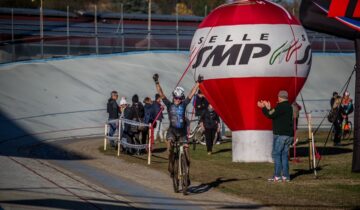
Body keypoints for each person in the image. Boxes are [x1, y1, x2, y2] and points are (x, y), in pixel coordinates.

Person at [153, 73, 200, 183]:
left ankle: (187, 173)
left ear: (182, 98)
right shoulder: (169, 105)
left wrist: (198, 83)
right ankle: (171, 164)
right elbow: (161, 93)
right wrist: (156, 82)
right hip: (172, 131)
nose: (177, 100)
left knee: (187, 154)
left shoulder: (184, 104)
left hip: (182, 131)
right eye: (176, 98)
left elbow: (191, 94)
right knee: (169, 148)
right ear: (173, 97)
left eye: (179, 98)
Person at [257, 90, 294, 182]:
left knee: (276, 155)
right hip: (288, 135)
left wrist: (263, 107)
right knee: (284, 155)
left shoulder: (280, 106)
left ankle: (277, 176)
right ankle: (286, 176)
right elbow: (275, 114)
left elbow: (270, 115)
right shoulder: (289, 107)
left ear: (280, 97)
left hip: (280, 135)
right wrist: (269, 108)